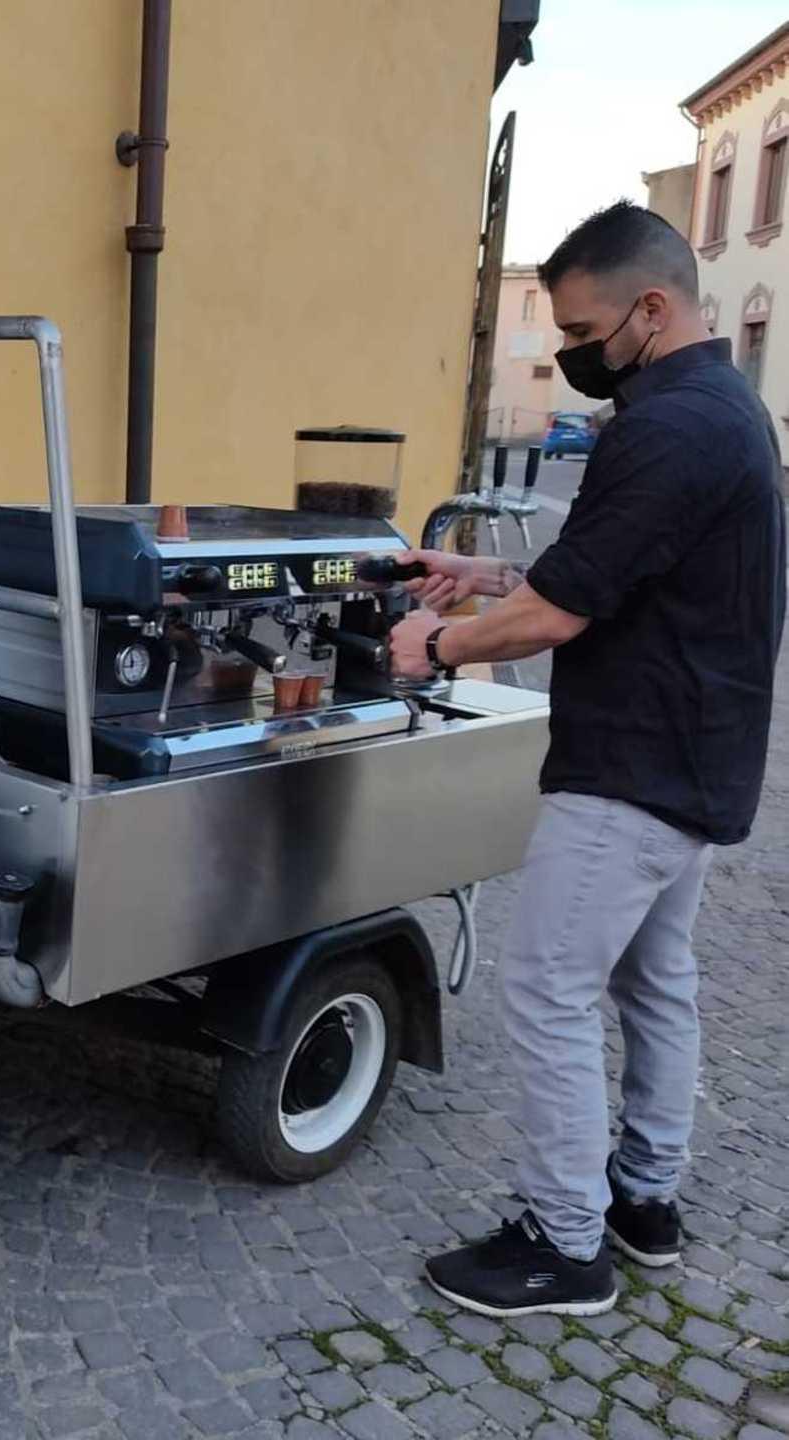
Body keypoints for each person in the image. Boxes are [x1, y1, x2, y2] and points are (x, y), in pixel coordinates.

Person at [386, 201, 785, 1318]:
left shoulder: (667, 428)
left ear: (651, 308)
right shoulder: (725, 410)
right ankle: (643, 1201)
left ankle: (564, 1245)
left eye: (579, 331)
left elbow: (562, 618)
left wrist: (434, 644)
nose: (571, 354)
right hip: (694, 765)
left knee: (549, 988)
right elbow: (613, 574)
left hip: (632, 773)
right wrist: (485, 578)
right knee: (656, 982)